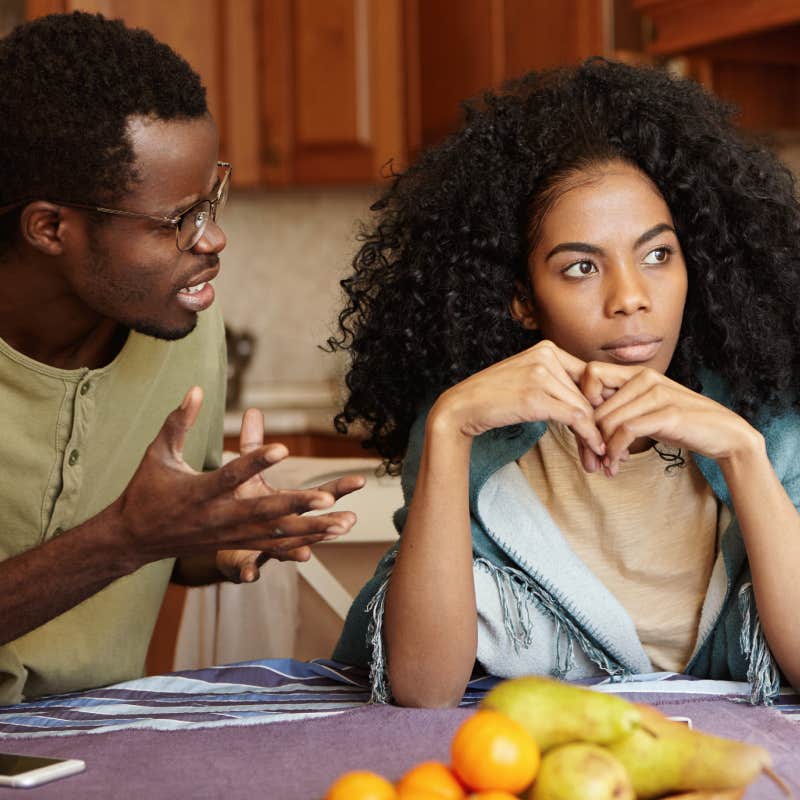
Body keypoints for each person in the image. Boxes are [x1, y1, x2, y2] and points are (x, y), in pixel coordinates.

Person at [329, 58, 800, 707]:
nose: (632, 297)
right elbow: (422, 689)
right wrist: (447, 426)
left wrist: (743, 453)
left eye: (658, 254)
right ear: (523, 299)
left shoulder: (765, 416)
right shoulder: (477, 436)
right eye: (581, 267)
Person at [0, 11, 363, 705]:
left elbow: (159, 545)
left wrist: (216, 531)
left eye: (211, 201)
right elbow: (131, 537)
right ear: (50, 228)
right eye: (179, 220)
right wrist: (126, 538)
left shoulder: (188, 324)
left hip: (93, 739)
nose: (215, 238)